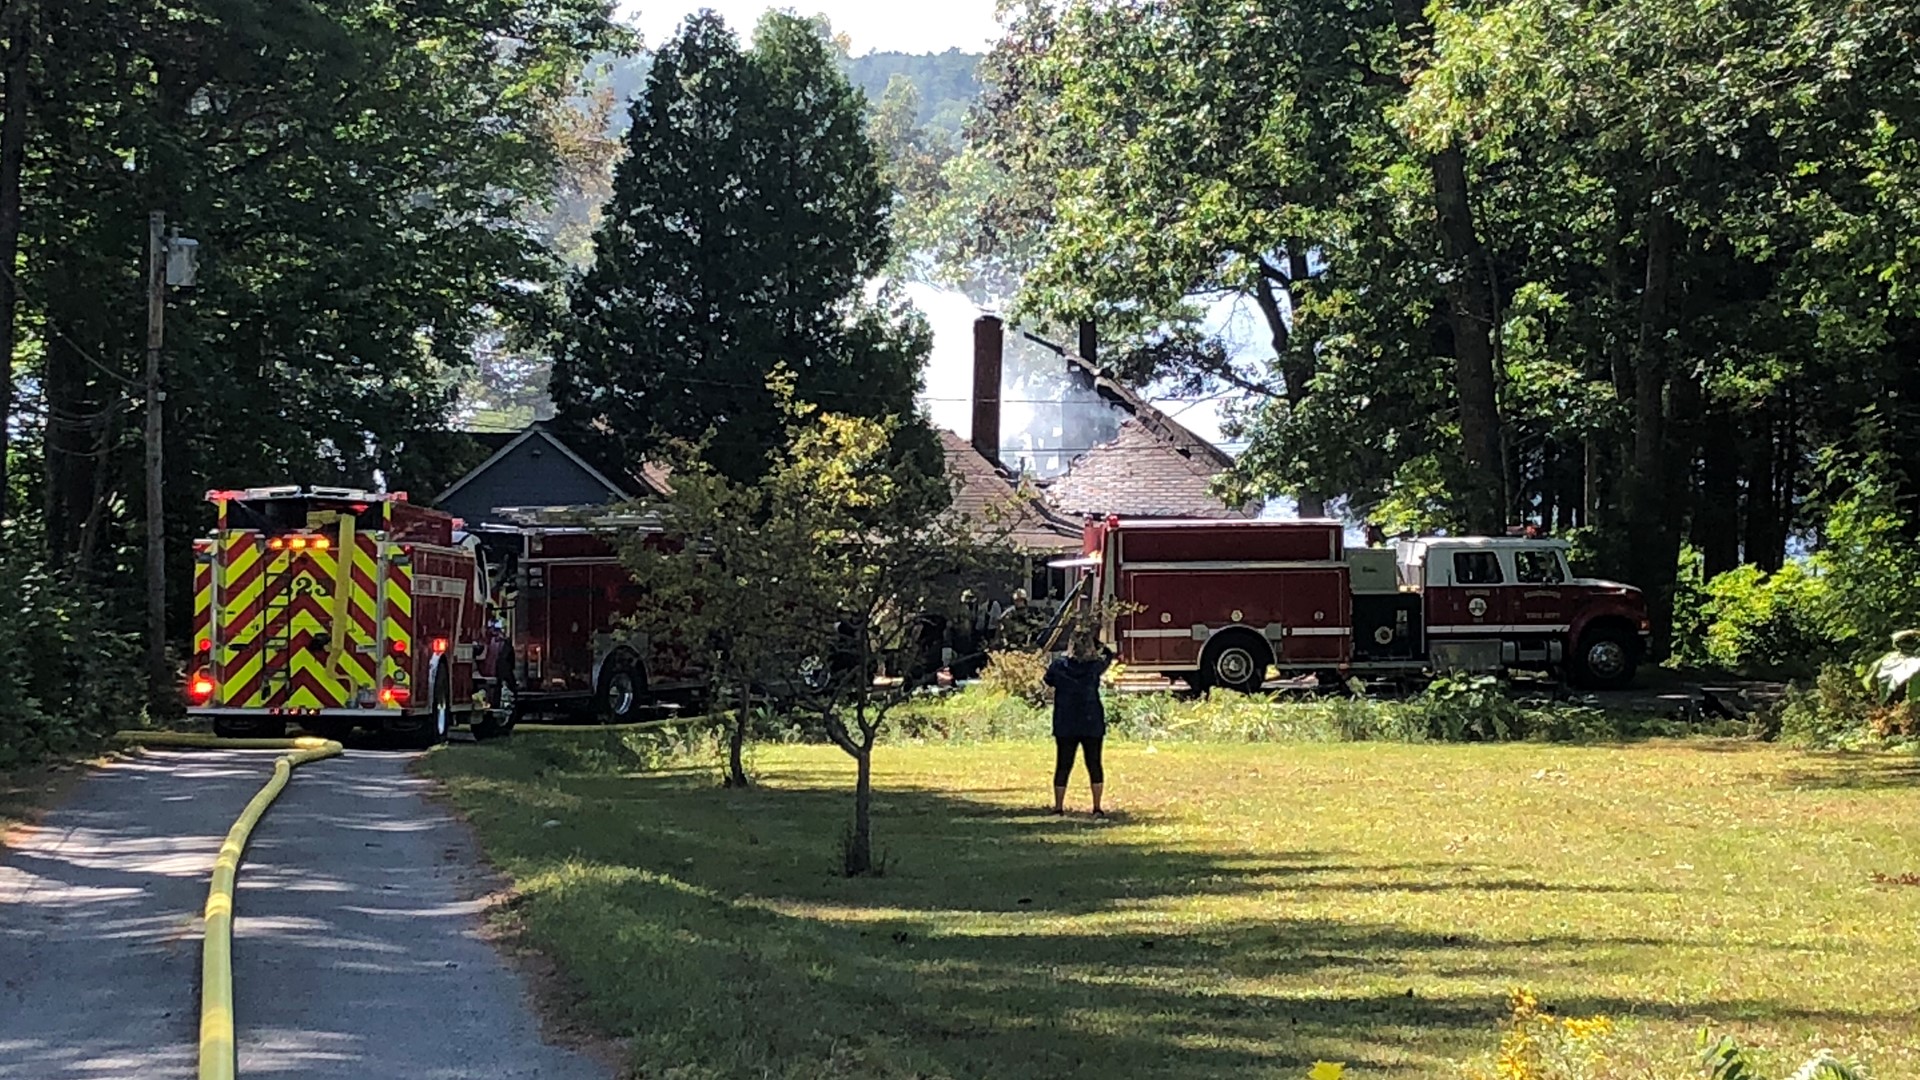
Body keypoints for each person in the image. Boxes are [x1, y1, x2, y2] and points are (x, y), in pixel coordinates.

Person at [1044, 629, 1113, 815]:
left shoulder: (1059, 666)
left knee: (1063, 764)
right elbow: (1109, 654)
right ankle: (1097, 807)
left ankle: (1059, 807)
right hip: (1091, 720)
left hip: (1065, 721)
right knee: (1094, 763)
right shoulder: (1095, 666)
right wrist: (1094, 639)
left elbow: (1047, 679)